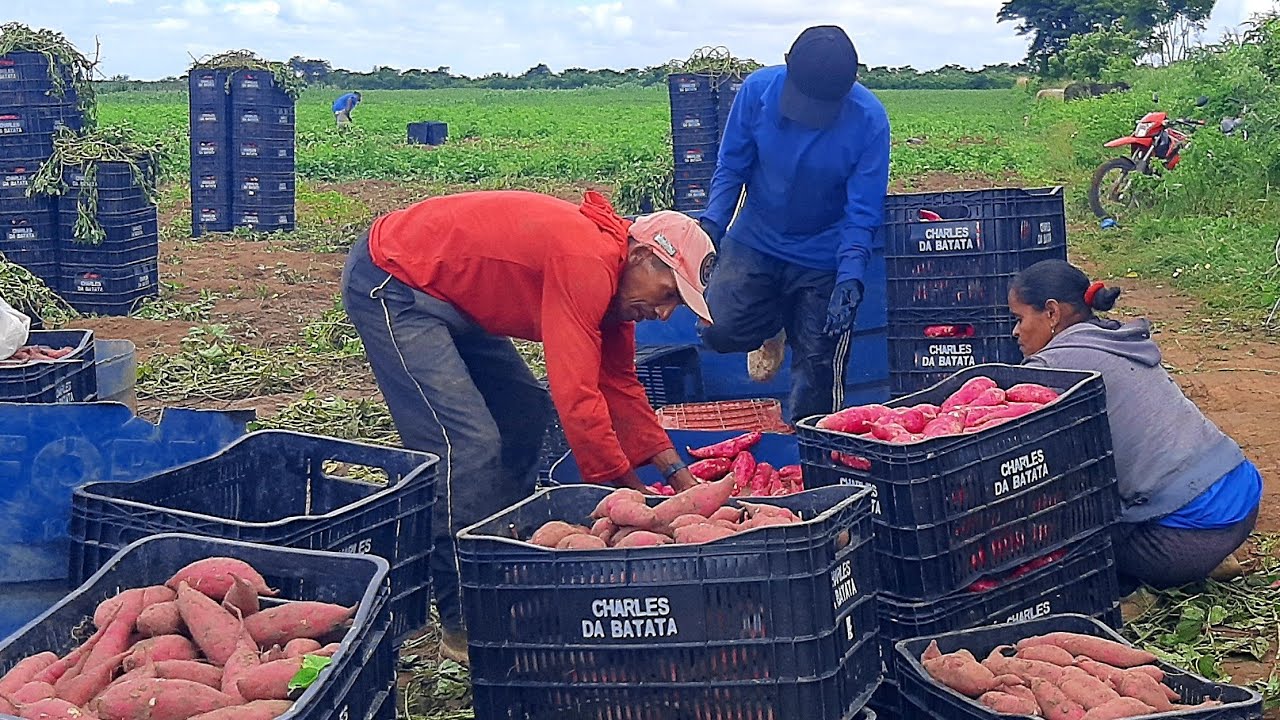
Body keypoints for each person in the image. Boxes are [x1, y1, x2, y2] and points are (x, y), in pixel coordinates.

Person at [340, 190, 713, 663]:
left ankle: (504, 559)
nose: (663, 314)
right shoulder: (587, 261)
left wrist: (681, 480)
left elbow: (618, 384)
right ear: (641, 255)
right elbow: (576, 395)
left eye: (676, 305)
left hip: (455, 295)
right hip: (395, 281)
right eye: (667, 295)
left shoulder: (617, 281)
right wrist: (629, 498)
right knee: (467, 447)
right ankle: (463, 617)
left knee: (525, 414)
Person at [1009, 259, 1261, 591]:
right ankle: (1211, 557)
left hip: (1183, 538)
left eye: (1019, 318)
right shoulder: (1116, 339)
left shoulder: (1053, 368)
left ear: (1052, 313)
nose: (1015, 331)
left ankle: (1146, 586)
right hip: (1242, 500)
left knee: (1051, 529)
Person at [698, 24, 890, 422]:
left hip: (823, 252)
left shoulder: (870, 121)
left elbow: (863, 211)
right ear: (787, 67)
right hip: (756, 237)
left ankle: (813, 452)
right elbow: (731, 167)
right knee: (719, 330)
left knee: (817, 370)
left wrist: (850, 275)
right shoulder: (756, 92)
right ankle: (775, 325)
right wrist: (711, 228)